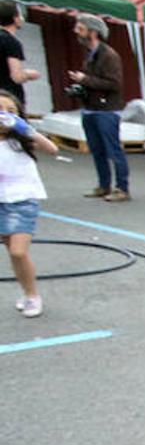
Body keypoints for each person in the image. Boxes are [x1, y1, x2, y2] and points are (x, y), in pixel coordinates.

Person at [0, 92, 58, 318]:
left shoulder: (21, 140)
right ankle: (27, 292)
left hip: (23, 201)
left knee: (18, 251)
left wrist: (25, 129)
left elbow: (52, 149)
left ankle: (33, 296)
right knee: (12, 252)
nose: (4, 115)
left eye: (10, 111)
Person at [69, 14, 129, 202]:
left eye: (81, 29)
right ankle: (104, 185)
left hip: (107, 110)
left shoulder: (109, 55)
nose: (76, 32)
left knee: (113, 150)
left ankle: (122, 188)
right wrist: (80, 86)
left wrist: (85, 79)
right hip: (90, 108)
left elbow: (114, 84)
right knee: (97, 150)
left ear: (93, 32)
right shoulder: (90, 54)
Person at [0, 2, 41, 110]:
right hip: (8, 99)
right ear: (15, 19)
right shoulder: (11, 42)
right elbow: (17, 76)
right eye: (20, 15)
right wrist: (29, 74)